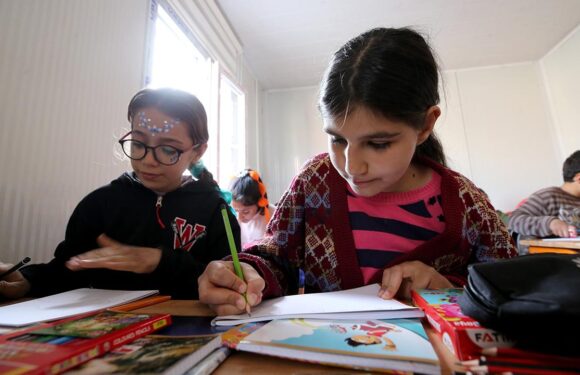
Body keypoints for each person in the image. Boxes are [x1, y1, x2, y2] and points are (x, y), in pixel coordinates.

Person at [198, 27, 517, 316]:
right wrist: (248, 274)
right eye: (337, 139)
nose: (351, 166)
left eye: (378, 143)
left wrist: (447, 290)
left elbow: (513, 288)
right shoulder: (315, 180)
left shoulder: (468, 203)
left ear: (425, 125)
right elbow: (276, 257)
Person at [0, 88, 240, 300]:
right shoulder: (99, 204)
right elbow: (68, 270)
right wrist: (29, 279)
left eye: (168, 150)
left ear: (197, 151)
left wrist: (160, 261)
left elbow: (230, 283)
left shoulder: (215, 211)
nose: (148, 161)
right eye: (138, 144)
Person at [509, 150, 580, 250]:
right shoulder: (549, 196)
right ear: (579, 178)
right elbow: (514, 220)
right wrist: (550, 223)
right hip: (554, 259)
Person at [229, 169, 275, 248]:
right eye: (236, 210)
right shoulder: (234, 219)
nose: (239, 217)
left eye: (246, 211)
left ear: (259, 202)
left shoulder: (274, 215)